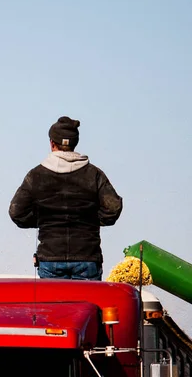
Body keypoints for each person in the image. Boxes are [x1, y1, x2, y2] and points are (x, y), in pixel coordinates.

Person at [9, 116, 122, 280]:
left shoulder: (36, 175)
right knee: (87, 305)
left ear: (51, 143)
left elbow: (16, 212)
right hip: (87, 257)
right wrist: (89, 220)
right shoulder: (94, 174)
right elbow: (113, 208)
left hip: (50, 258)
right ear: (75, 144)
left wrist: (44, 220)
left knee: (56, 306)